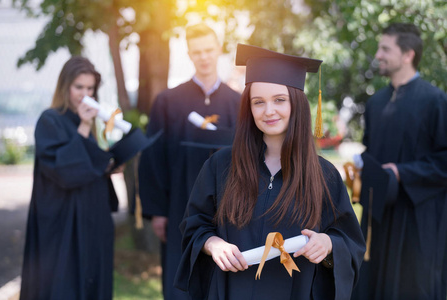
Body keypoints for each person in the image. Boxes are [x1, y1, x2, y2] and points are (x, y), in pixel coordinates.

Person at [174, 44, 366, 299]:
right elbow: (194, 225)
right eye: (258, 102)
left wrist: (328, 244)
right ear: (248, 108)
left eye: (279, 100)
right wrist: (213, 244)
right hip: (233, 290)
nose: (268, 111)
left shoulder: (323, 175)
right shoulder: (221, 166)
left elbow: (349, 240)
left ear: (296, 103)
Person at [138, 23, 241, 299]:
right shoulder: (168, 102)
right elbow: (153, 159)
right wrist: (158, 211)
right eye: (197, 52)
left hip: (230, 212)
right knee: (179, 281)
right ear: (189, 54)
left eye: (208, 50)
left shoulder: (239, 104)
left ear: (218, 49)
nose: (204, 57)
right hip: (179, 208)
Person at [351, 23, 447, 300]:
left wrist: (401, 172)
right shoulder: (376, 103)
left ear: (408, 55)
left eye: (385, 49)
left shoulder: (435, 101)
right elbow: (370, 150)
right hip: (378, 213)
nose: (378, 55)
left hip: (417, 217)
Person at [20, 56, 120, 300]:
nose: (84, 94)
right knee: (64, 284)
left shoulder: (95, 123)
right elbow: (64, 171)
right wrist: (84, 127)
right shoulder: (50, 120)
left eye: (90, 89)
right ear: (65, 86)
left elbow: (91, 168)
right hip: (63, 220)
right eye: (79, 88)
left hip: (92, 216)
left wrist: (110, 164)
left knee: (93, 281)